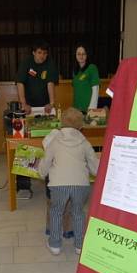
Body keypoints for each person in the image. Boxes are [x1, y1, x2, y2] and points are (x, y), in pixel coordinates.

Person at [38, 107, 99, 255]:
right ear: (81, 126)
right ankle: (79, 245)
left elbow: (46, 161)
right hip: (81, 185)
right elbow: (94, 166)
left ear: (61, 123)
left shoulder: (55, 141)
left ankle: (55, 245)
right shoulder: (84, 142)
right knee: (78, 212)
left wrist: (42, 173)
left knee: (56, 212)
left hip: (58, 184)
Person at [15, 41, 58, 199]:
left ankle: (50, 185)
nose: (42, 56)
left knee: (49, 146)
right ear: (34, 52)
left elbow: (50, 84)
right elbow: (20, 83)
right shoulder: (26, 63)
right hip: (29, 109)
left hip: (45, 110)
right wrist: (23, 103)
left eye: (45, 53)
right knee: (24, 146)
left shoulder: (50, 63)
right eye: (39, 52)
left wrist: (51, 103)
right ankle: (23, 185)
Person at [71, 44, 100, 113]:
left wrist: (92, 108)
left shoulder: (92, 68)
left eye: (83, 54)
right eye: (78, 54)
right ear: (75, 55)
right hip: (76, 109)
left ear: (87, 55)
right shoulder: (75, 71)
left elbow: (96, 89)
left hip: (87, 109)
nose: (81, 56)